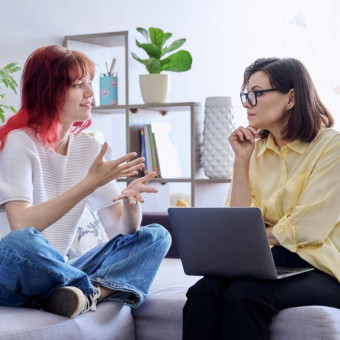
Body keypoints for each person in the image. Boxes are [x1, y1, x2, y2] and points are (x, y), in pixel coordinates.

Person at [0, 45, 171, 318]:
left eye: (89, 83)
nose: (91, 94)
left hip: (60, 268)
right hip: (18, 268)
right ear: (48, 91)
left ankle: (86, 295)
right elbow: (22, 225)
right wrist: (88, 185)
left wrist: (131, 204)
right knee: (19, 243)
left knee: (156, 236)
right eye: (78, 85)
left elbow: (124, 229)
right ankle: (84, 288)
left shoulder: (90, 148)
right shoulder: (19, 142)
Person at [182, 57, 340, 339]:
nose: (246, 103)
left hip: (321, 268)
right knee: (203, 291)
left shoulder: (331, 147)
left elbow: (307, 228)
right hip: (267, 261)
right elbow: (237, 220)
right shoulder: (254, 150)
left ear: (291, 98)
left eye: (256, 93)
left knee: (244, 295)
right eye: (246, 95)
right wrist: (241, 161)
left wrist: (252, 236)